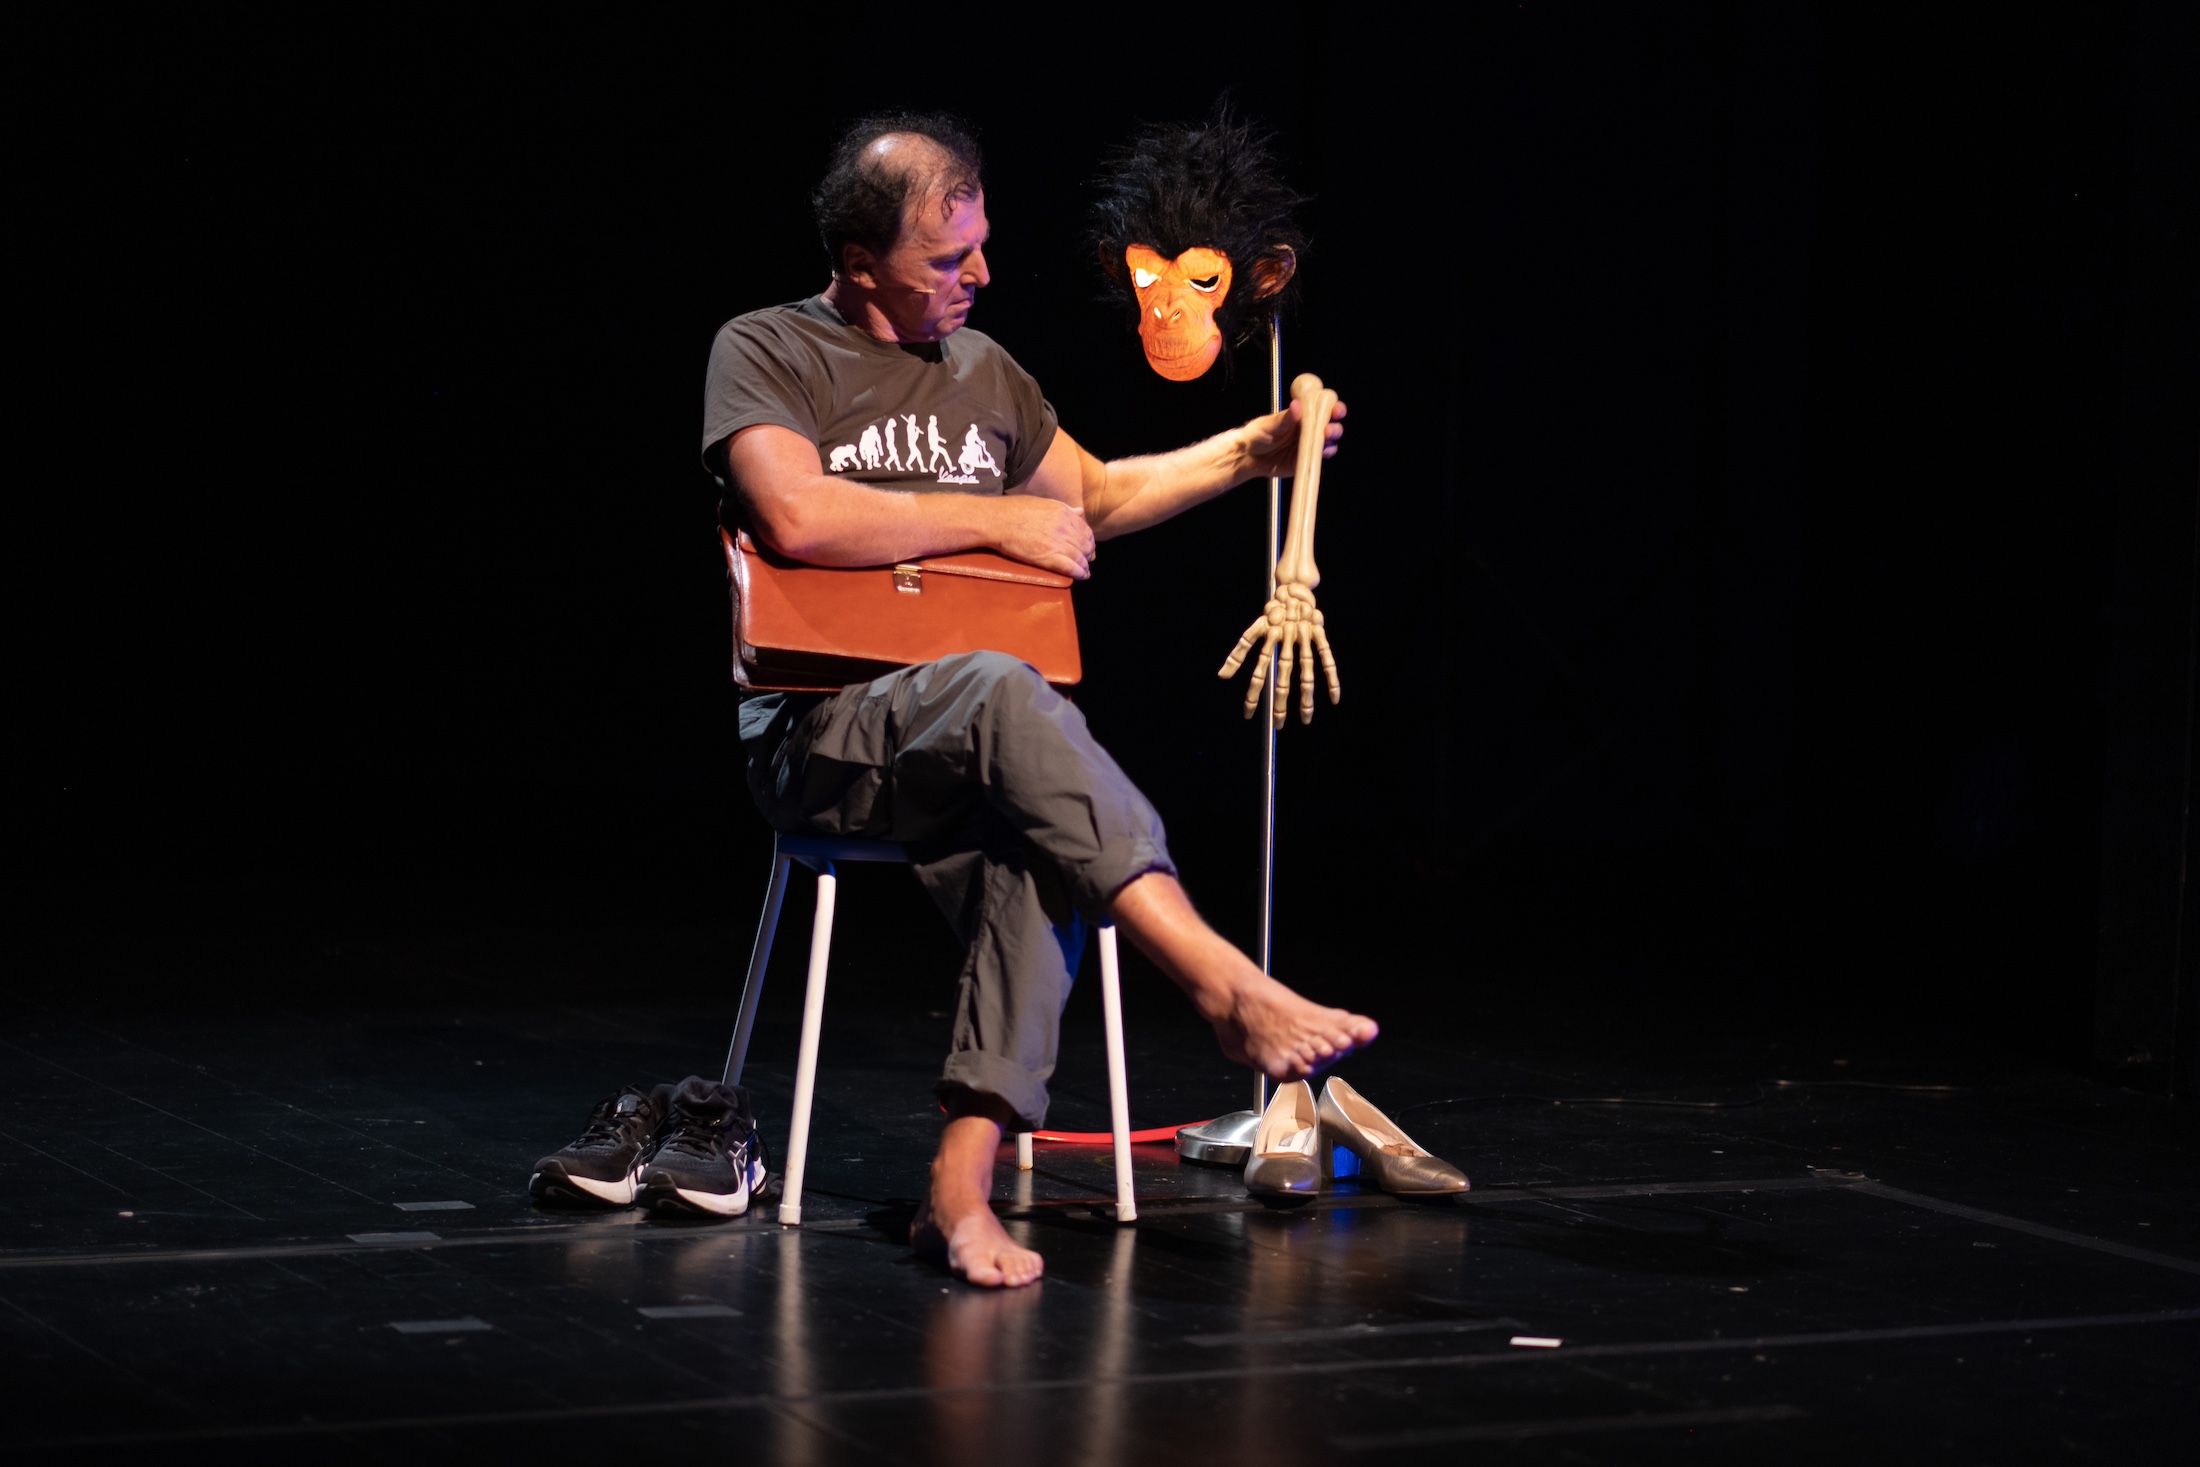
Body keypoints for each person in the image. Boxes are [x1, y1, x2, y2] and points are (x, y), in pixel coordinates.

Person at [701, 113, 1375, 1287]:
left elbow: (1097, 495)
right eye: (945, 259)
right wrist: (996, 518)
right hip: (826, 736)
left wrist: (1248, 452)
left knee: (1041, 839)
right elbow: (794, 513)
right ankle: (1218, 981)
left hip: (975, 741)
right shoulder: (770, 347)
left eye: (980, 245)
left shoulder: (985, 370)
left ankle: (957, 1193)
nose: (980, 274)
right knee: (1007, 693)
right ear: (859, 262)